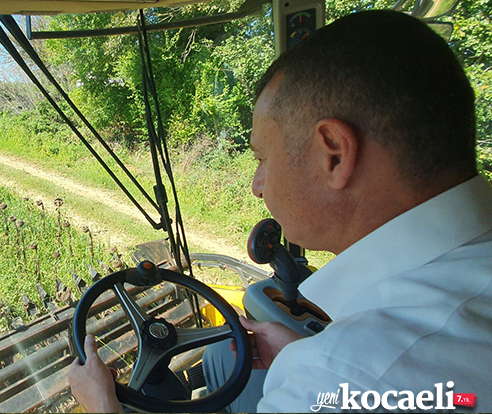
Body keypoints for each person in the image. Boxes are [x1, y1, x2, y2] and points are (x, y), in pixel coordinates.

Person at [68, 10, 492, 413]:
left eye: (262, 159)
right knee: (221, 357)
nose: (257, 187)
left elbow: (354, 375)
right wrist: (301, 352)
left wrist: (103, 404)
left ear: (334, 155)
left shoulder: (343, 374)